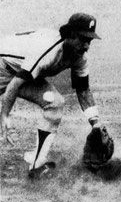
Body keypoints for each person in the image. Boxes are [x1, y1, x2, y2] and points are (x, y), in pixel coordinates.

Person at [0, 13, 102, 178]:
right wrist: (4, 116)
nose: (86, 46)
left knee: (55, 104)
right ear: (70, 34)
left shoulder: (79, 57)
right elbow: (14, 84)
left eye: (89, 41)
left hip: (22, 71)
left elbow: (83, 89)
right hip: (3, 65)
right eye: (83, 39)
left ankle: (36, 164)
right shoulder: (48, 50)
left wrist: (96, 124)